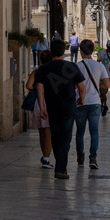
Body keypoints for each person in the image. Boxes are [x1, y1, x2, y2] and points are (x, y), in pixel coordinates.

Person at [35, 39, 85, 179]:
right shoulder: (71, 67)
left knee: (56, 138)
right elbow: (82, 88)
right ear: (64, 51)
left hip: (52, 108)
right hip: (68, 108)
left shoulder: (43, 69)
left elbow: (39, 88)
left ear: (51, 51)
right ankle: (60, 169)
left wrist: (41, 107)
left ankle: (60, 167)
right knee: (65, 139)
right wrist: (81, 99)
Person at [75, 39, 110, 170]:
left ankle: (80, 157)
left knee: (80, 132)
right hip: (95, 102)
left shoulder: (77, 66)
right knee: (94, 131)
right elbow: (107, 85)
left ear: (81, 51)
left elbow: (73, 85)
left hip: (80, 102)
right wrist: (97, 85)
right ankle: (93, 158)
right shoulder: (100, 66)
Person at [25, 49, 53, 168]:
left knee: (42, 132)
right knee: (49, 133)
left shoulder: (36, 72)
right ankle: (46, 158)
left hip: (38, 103)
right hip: (49, 102)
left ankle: (44, 156)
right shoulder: (53, 71)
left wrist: (37, 87)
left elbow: (28, 85)